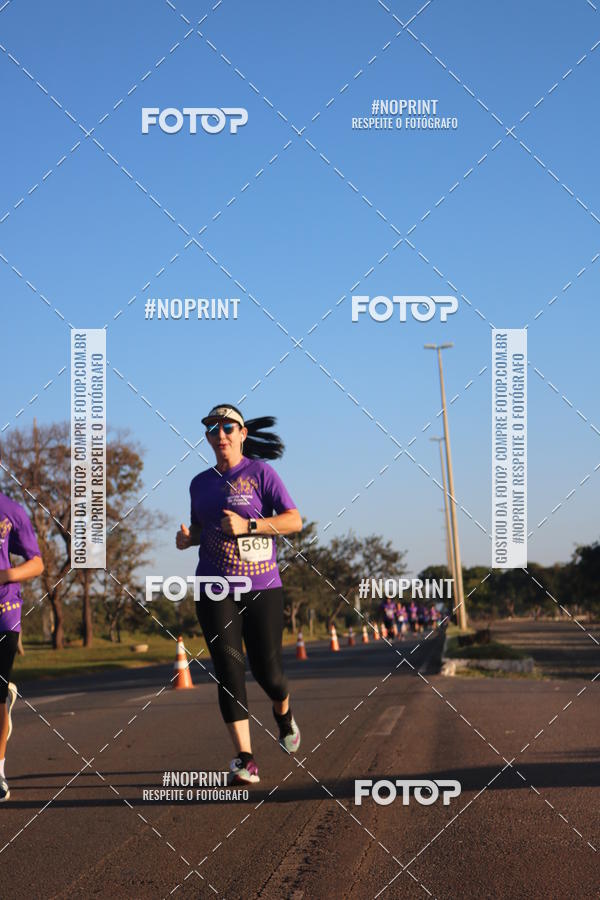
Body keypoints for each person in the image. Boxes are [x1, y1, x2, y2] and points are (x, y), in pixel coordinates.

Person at [176, 404, 302, 786]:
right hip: (214, 587)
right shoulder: (199, 484)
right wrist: (189, 538)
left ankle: (283, 715)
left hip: (262, 586)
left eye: (228, 427)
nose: (221, 434)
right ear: (207, 438)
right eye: (213, 429)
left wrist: (249, 525)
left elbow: (294, 520)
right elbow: (203, 529)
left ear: (242, 434)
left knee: (268, 672)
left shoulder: (261, 473)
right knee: (229, 670)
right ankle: (245, 758)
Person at [0, 485, 44, 801]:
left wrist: (4, 575)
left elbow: (37, 563)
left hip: (4, 610)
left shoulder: (11, 510)